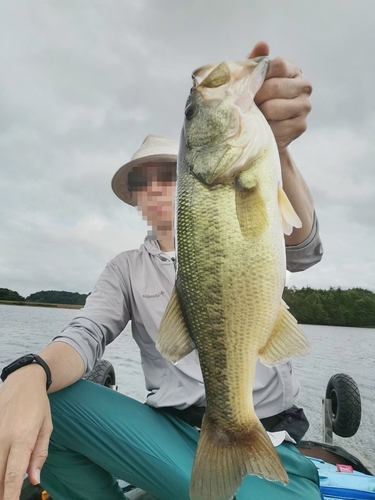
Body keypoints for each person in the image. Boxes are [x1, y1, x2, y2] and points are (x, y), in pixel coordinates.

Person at [0, 42, 323, 500]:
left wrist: (281, 151)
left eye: (165, 174)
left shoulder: (247, 188)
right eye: (140, 182)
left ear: (185, 173)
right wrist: (28, 371)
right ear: (134, 200)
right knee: (44, 400)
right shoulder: (125, 269)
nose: (154, 188)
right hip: (165, 436)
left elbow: (305, 249)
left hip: (267, 441)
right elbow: (86, 332)